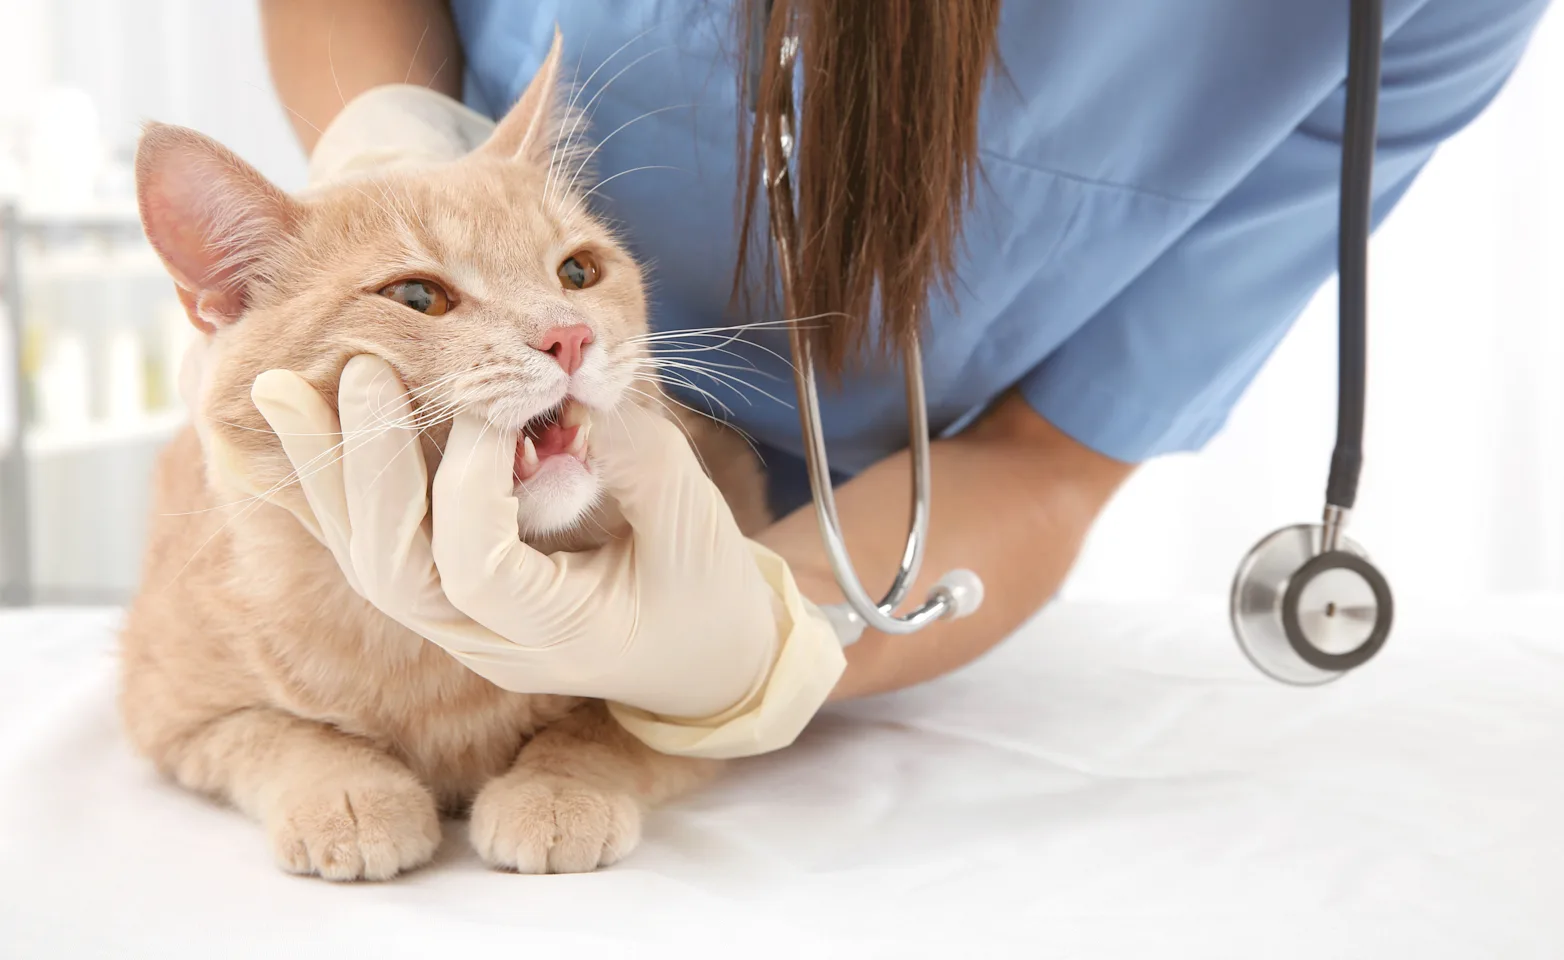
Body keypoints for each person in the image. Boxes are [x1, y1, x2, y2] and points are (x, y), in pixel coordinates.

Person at [245, 0, 1550, 756]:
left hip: (860, 538)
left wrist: (762, 639)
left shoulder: (1412, 18)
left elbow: (1052, 460)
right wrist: (388, 150)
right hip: (443, 410)